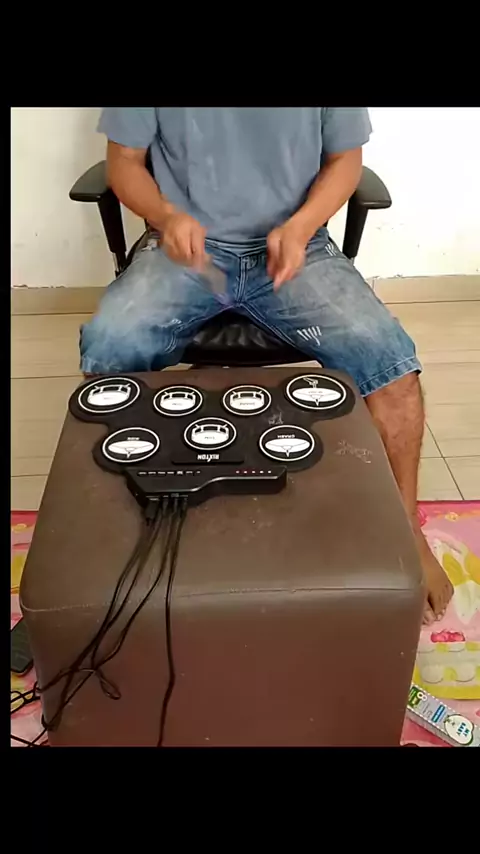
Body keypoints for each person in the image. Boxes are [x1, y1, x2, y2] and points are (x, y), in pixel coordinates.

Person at [81, 107, 453, 624]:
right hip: (186, 252)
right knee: (110, 345)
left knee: (392, 367)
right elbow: (123, 160)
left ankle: (407, 530)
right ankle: (111, 530)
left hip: (297, 249)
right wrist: (166, 216)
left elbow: (346, 160)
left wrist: (301, 226)